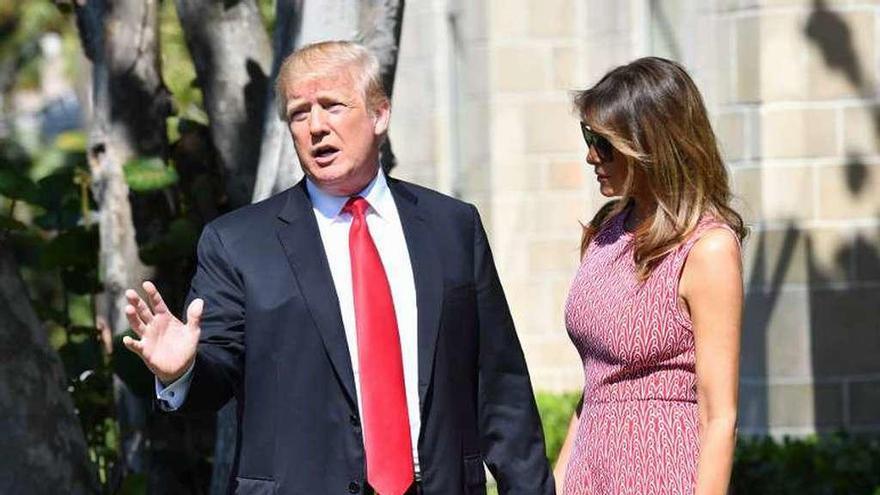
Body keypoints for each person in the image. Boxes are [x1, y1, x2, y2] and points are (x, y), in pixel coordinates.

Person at [121, 41, 553, 495]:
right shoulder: (239, 243)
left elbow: (502, 389)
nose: (316, 127)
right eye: (299, 113)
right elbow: (216, 372)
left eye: (332, 106)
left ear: (379, 114)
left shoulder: (452, 227)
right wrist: (180, 372)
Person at [554, 57, 746, 494]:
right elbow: (596, 389)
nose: (590, 156)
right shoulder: (606, 234)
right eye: (588, 138)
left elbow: (720, 417)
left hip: (664, 475)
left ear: (650, 145)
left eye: (603, 142)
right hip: (591, 472)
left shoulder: (707, 247)